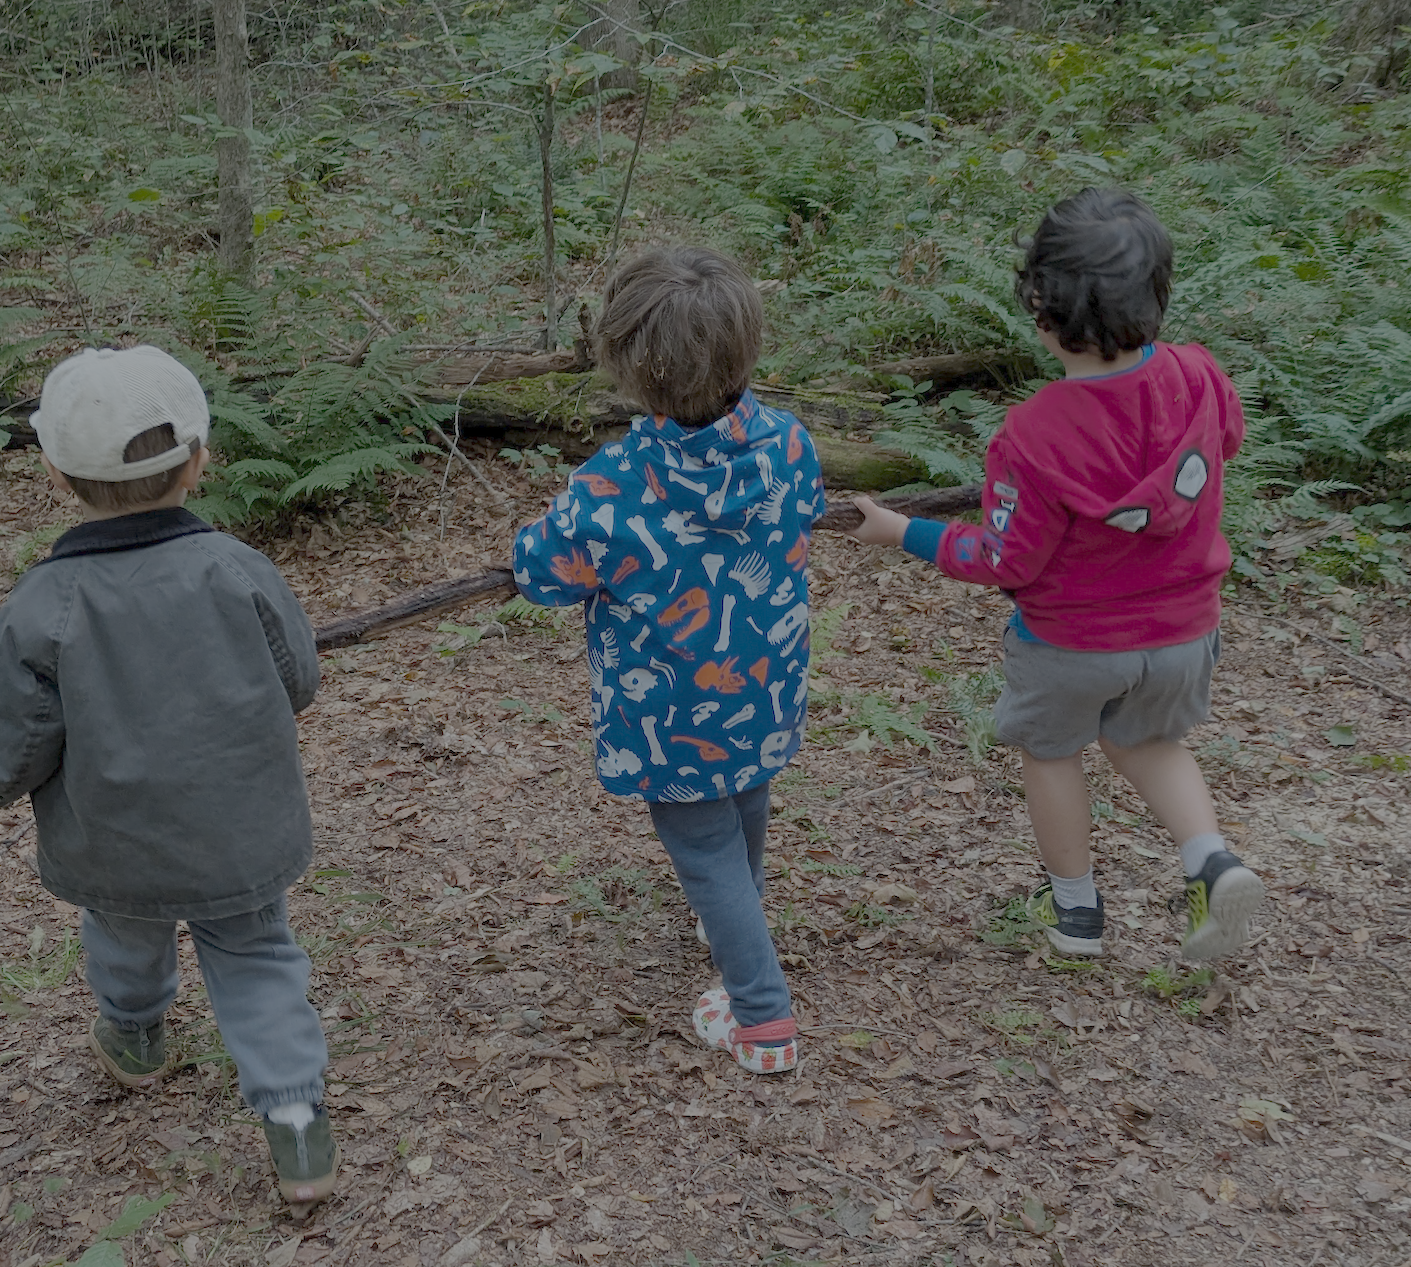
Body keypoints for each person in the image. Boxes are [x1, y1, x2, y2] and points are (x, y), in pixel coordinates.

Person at [0, 344, 338, 1205]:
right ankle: (294, 1125)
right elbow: (300, 681)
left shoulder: (42, 606)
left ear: (56, 475)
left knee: (124, 933)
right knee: (257, 958)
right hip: (237, 832)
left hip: (113, 838)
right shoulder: (238, 569)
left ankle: (135, 1038)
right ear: (200, 462)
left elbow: (11, 745)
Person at [849, 189, 1263, 962]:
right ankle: (1212, 860)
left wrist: (904, 531)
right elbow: (1226, 441)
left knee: (1052, 752)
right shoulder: (1200, 376)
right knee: (1153, 741)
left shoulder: (1034, 434)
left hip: (1071, 644)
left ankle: (1074, 912)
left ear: (1040, 304)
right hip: (1183, 630)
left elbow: (1006, 559)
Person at [512, 247, 824, 1074]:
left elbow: (541, 571)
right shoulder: (789, 445)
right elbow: (808, 512)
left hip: (670, 718)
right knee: (745, 801)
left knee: (704, 848)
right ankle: (738, 918)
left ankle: (762, 1019)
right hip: (761, 687)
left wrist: (545, 522)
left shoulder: (612, 484)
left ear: (631, 366)